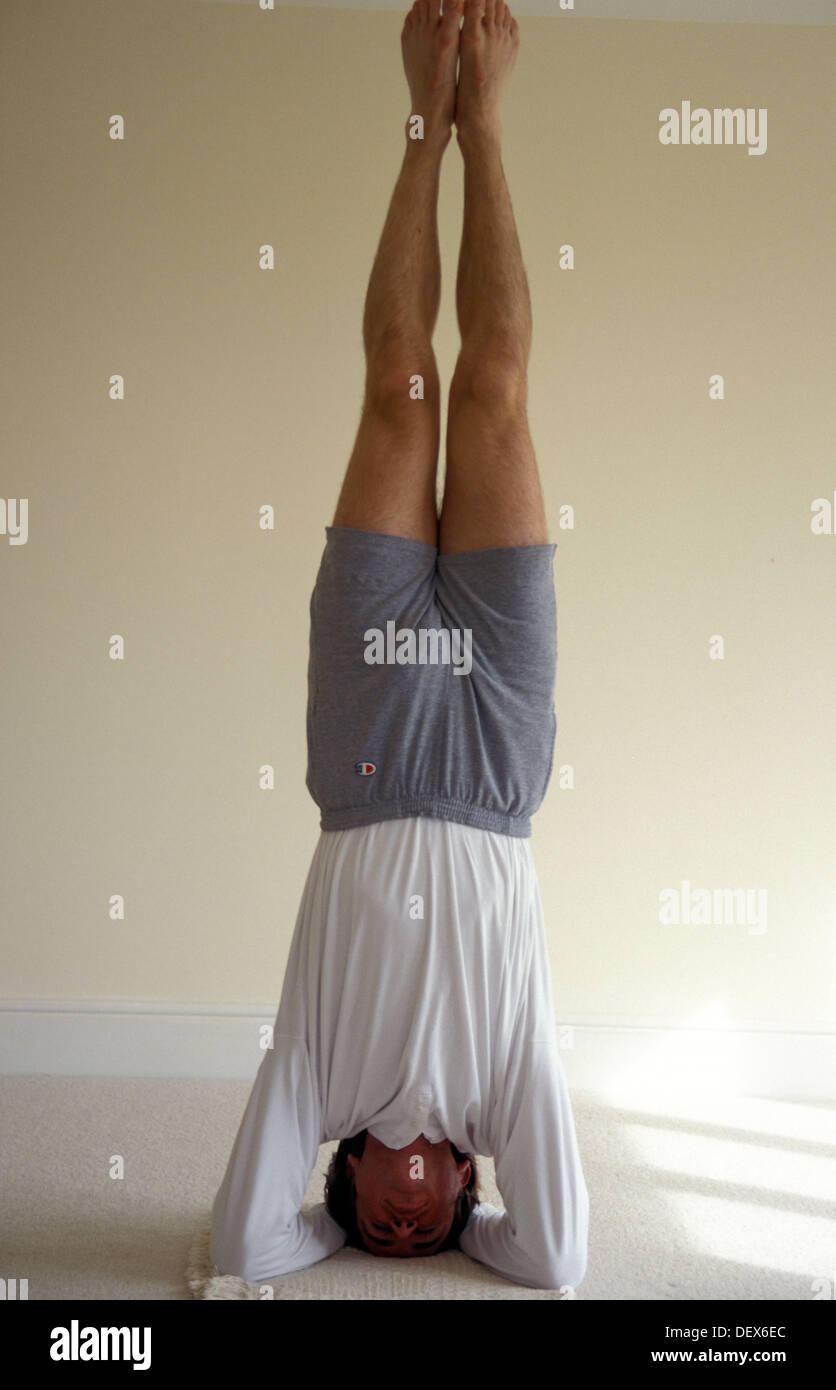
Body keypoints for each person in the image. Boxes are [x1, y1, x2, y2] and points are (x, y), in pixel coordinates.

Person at [209, 0, 589, 1292]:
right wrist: (482, 1234)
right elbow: (560, 1262)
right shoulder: (502, 1098)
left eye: (380, 1224)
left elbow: (245, 1245)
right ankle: (489, 126)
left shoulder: (318, 1079)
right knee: (491, 385)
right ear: (473, 1179)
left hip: (368, 746)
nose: (406, 1223)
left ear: (349, 1177)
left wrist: (322, 1240)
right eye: (428, 1226)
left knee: (397, 383)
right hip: (491, 758)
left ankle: (425, 120)